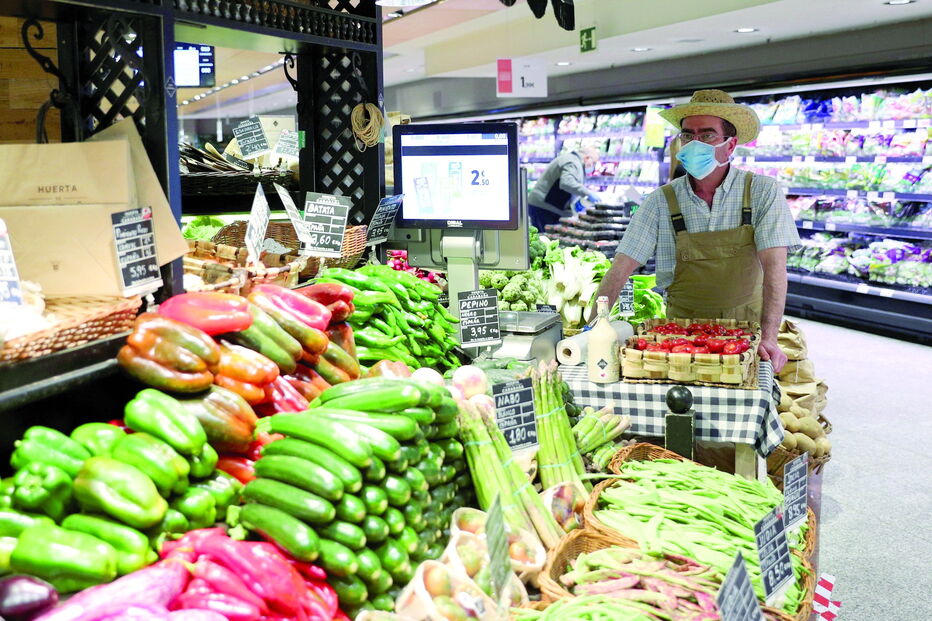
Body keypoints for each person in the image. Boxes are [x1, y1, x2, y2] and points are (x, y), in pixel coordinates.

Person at [593, 89, 800, 372]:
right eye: (687, 135)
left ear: (730, 145)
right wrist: (592, 328)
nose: (694, 144)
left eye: (707, 135)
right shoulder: (660, 201)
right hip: (679, 338)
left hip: (745, 334)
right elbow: (620, 269)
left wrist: (770, 337)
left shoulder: (762, 192)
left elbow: (775, 269)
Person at [528, 146, 601, 232]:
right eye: (594, 163)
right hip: (544, 207)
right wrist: (588, 193)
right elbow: (567, 182)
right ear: (587, 158)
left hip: (544, 205)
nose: (593, 167)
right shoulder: (572, 162)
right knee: (545, 239)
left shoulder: (571, 160)